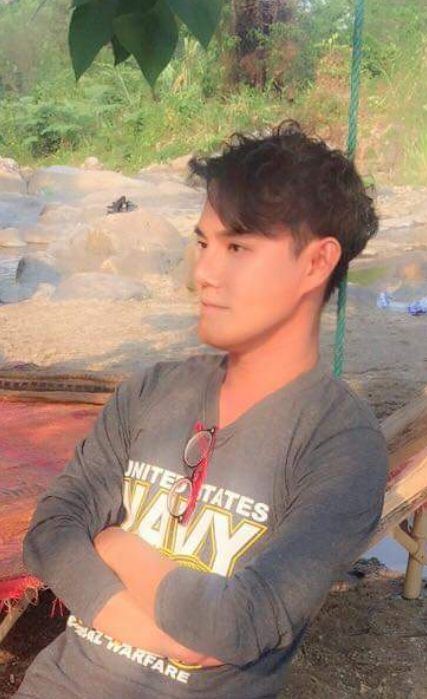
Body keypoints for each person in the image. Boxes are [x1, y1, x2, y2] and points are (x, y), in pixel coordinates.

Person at [15, 121, 389, 699]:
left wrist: (115, 544)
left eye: (237, 247)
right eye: (203, 243)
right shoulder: (152, 391)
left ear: (316, 264)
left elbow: (237, 624)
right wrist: (161, 636)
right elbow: (50, 532)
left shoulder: (338, 444)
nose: (204, 273)